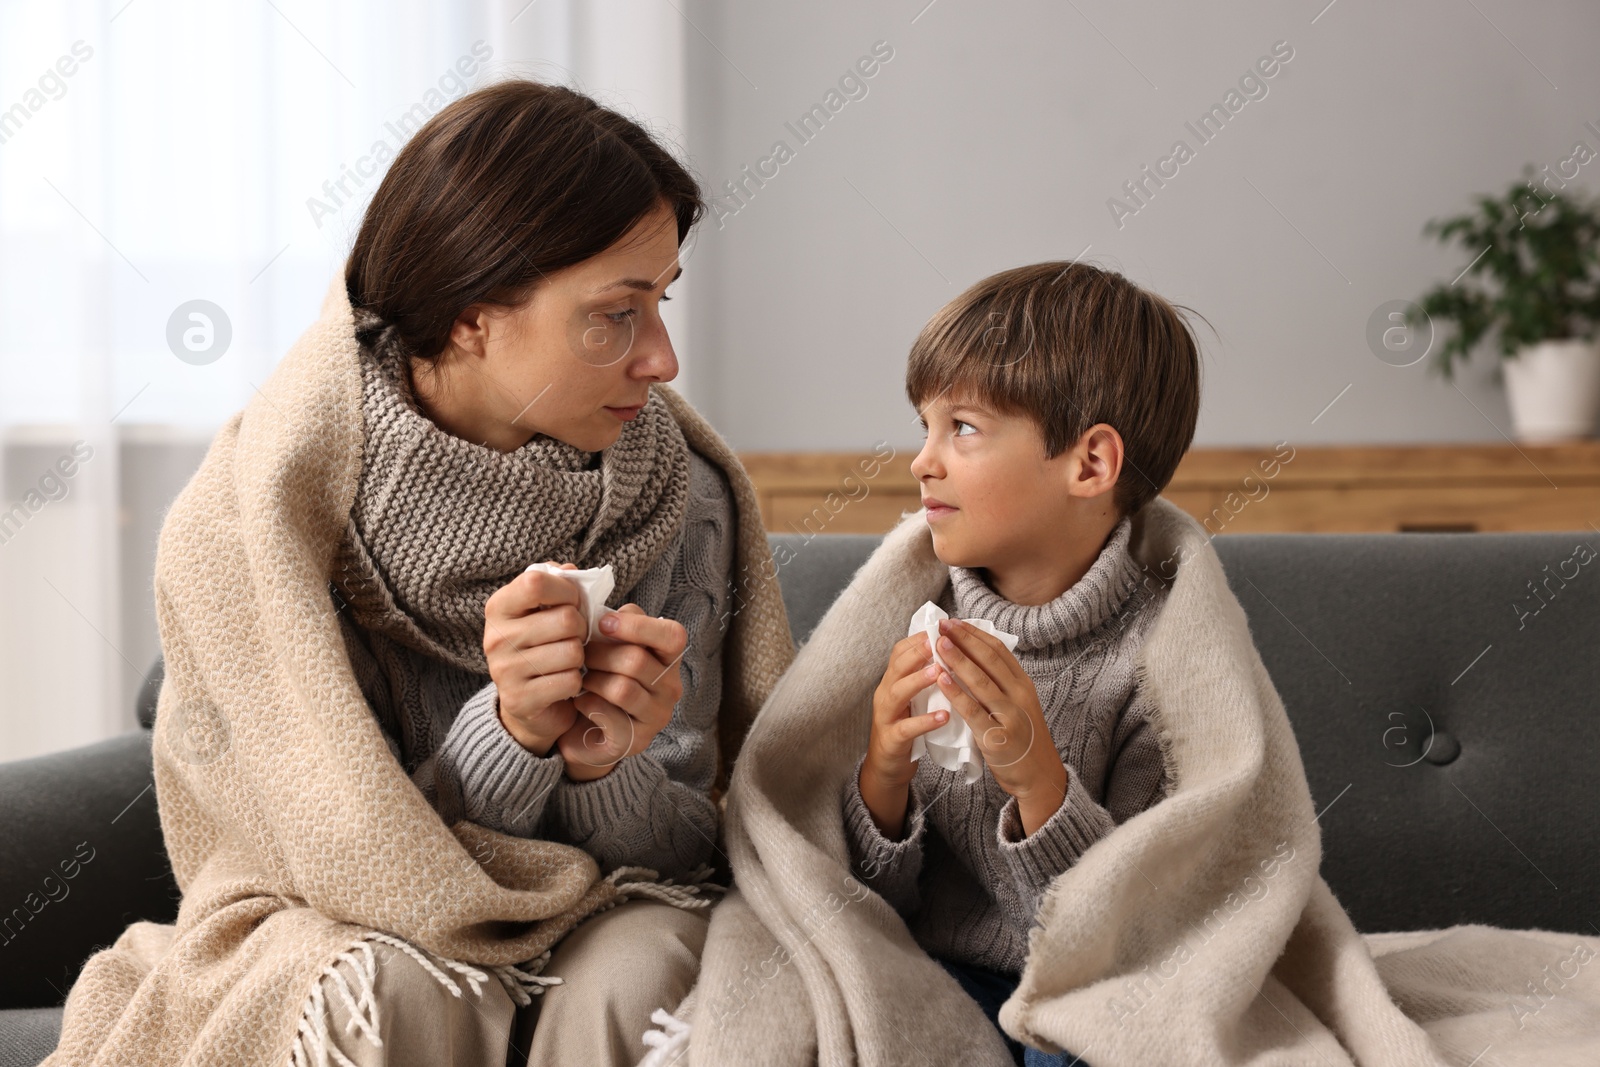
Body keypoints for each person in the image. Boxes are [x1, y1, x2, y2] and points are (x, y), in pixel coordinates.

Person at [45, 79, 793, 1067]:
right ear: (474, 316)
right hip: (334, 912)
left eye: (660, 301)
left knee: (654, 963)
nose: (660, 357)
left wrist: (603, 765)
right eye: (614, 314)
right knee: (388, 984)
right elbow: (339, 859)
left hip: (606, 897)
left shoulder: (682, 496)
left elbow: (683, 856)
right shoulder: (266, 512)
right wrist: (513, 732)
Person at [841, 261, 1203, 1066]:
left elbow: (1123, 934)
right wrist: (883, 771)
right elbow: (862, 904)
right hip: (932, 970)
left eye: (962, 428)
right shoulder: (911, 615)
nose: (922, 461)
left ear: (1089, 465)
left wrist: (1037, 778)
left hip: (1084, 987)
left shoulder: (1166, 660)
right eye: (924, 427)